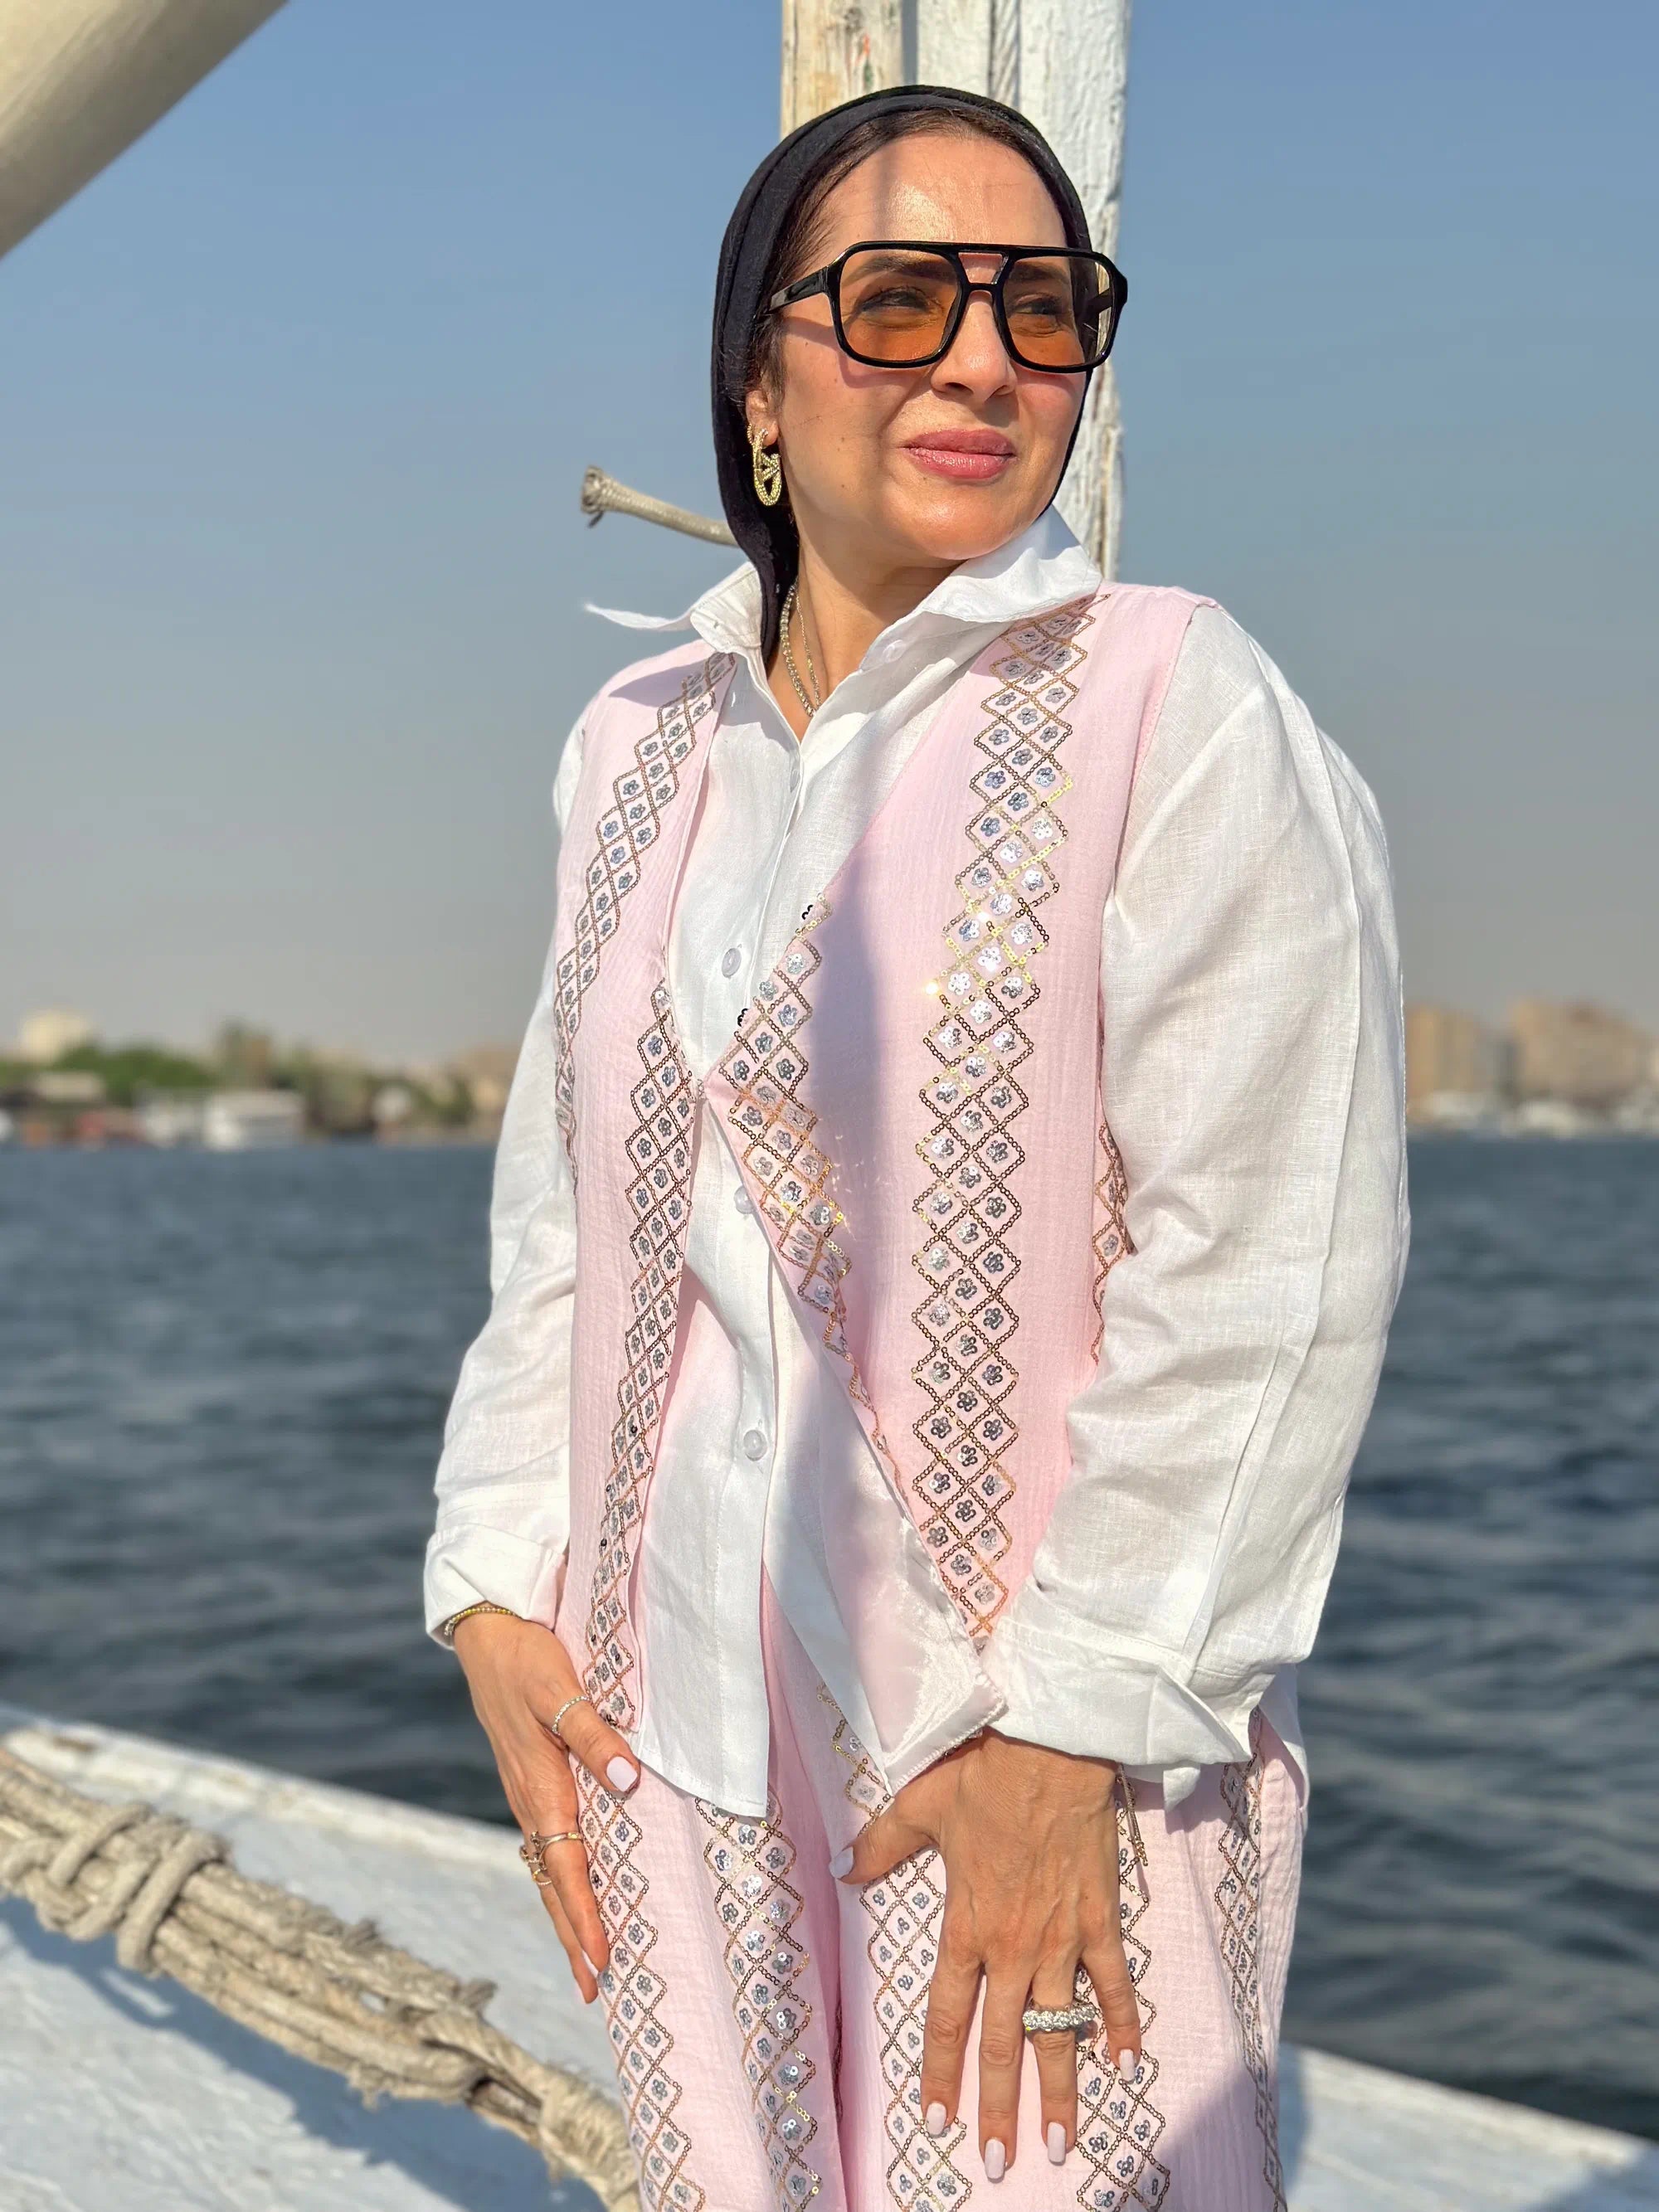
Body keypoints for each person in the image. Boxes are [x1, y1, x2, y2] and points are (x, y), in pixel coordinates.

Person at [425, 84, 1408, 2212]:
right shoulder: (636, 744)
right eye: (897, 297)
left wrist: (1072, 1727)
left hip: (1031, 1740)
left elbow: (1271, 1270)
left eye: (1044, 310)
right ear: (754, 375)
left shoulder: (1177, 701)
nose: (981, 357)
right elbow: (568, 1211)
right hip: (664, 1714)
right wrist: (496, 1581)